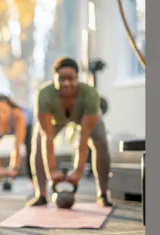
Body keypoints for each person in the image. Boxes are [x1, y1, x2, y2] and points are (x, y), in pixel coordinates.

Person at [27, 56, 114, 208]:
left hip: (83, 117)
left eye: (71, 79)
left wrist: (78, 170)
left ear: (77, 78)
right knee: (38, 141)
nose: (66, 83)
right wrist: (52, 170)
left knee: (101, 141)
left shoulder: (91, 95)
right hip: (55, 119)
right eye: (61, 79)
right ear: (54, 78)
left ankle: (103, 194)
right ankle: (40, 195)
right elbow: (47, 137)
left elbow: (84, 138)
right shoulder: (44, 94)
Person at [0, 94, 34, 189]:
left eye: (4, 112)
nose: (1, 116)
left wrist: (14, 168)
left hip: (25, 126)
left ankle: (33, 179)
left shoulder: (18, 115)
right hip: (3, 130)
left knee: (30, 148)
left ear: (10, 110)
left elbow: (17, 145)